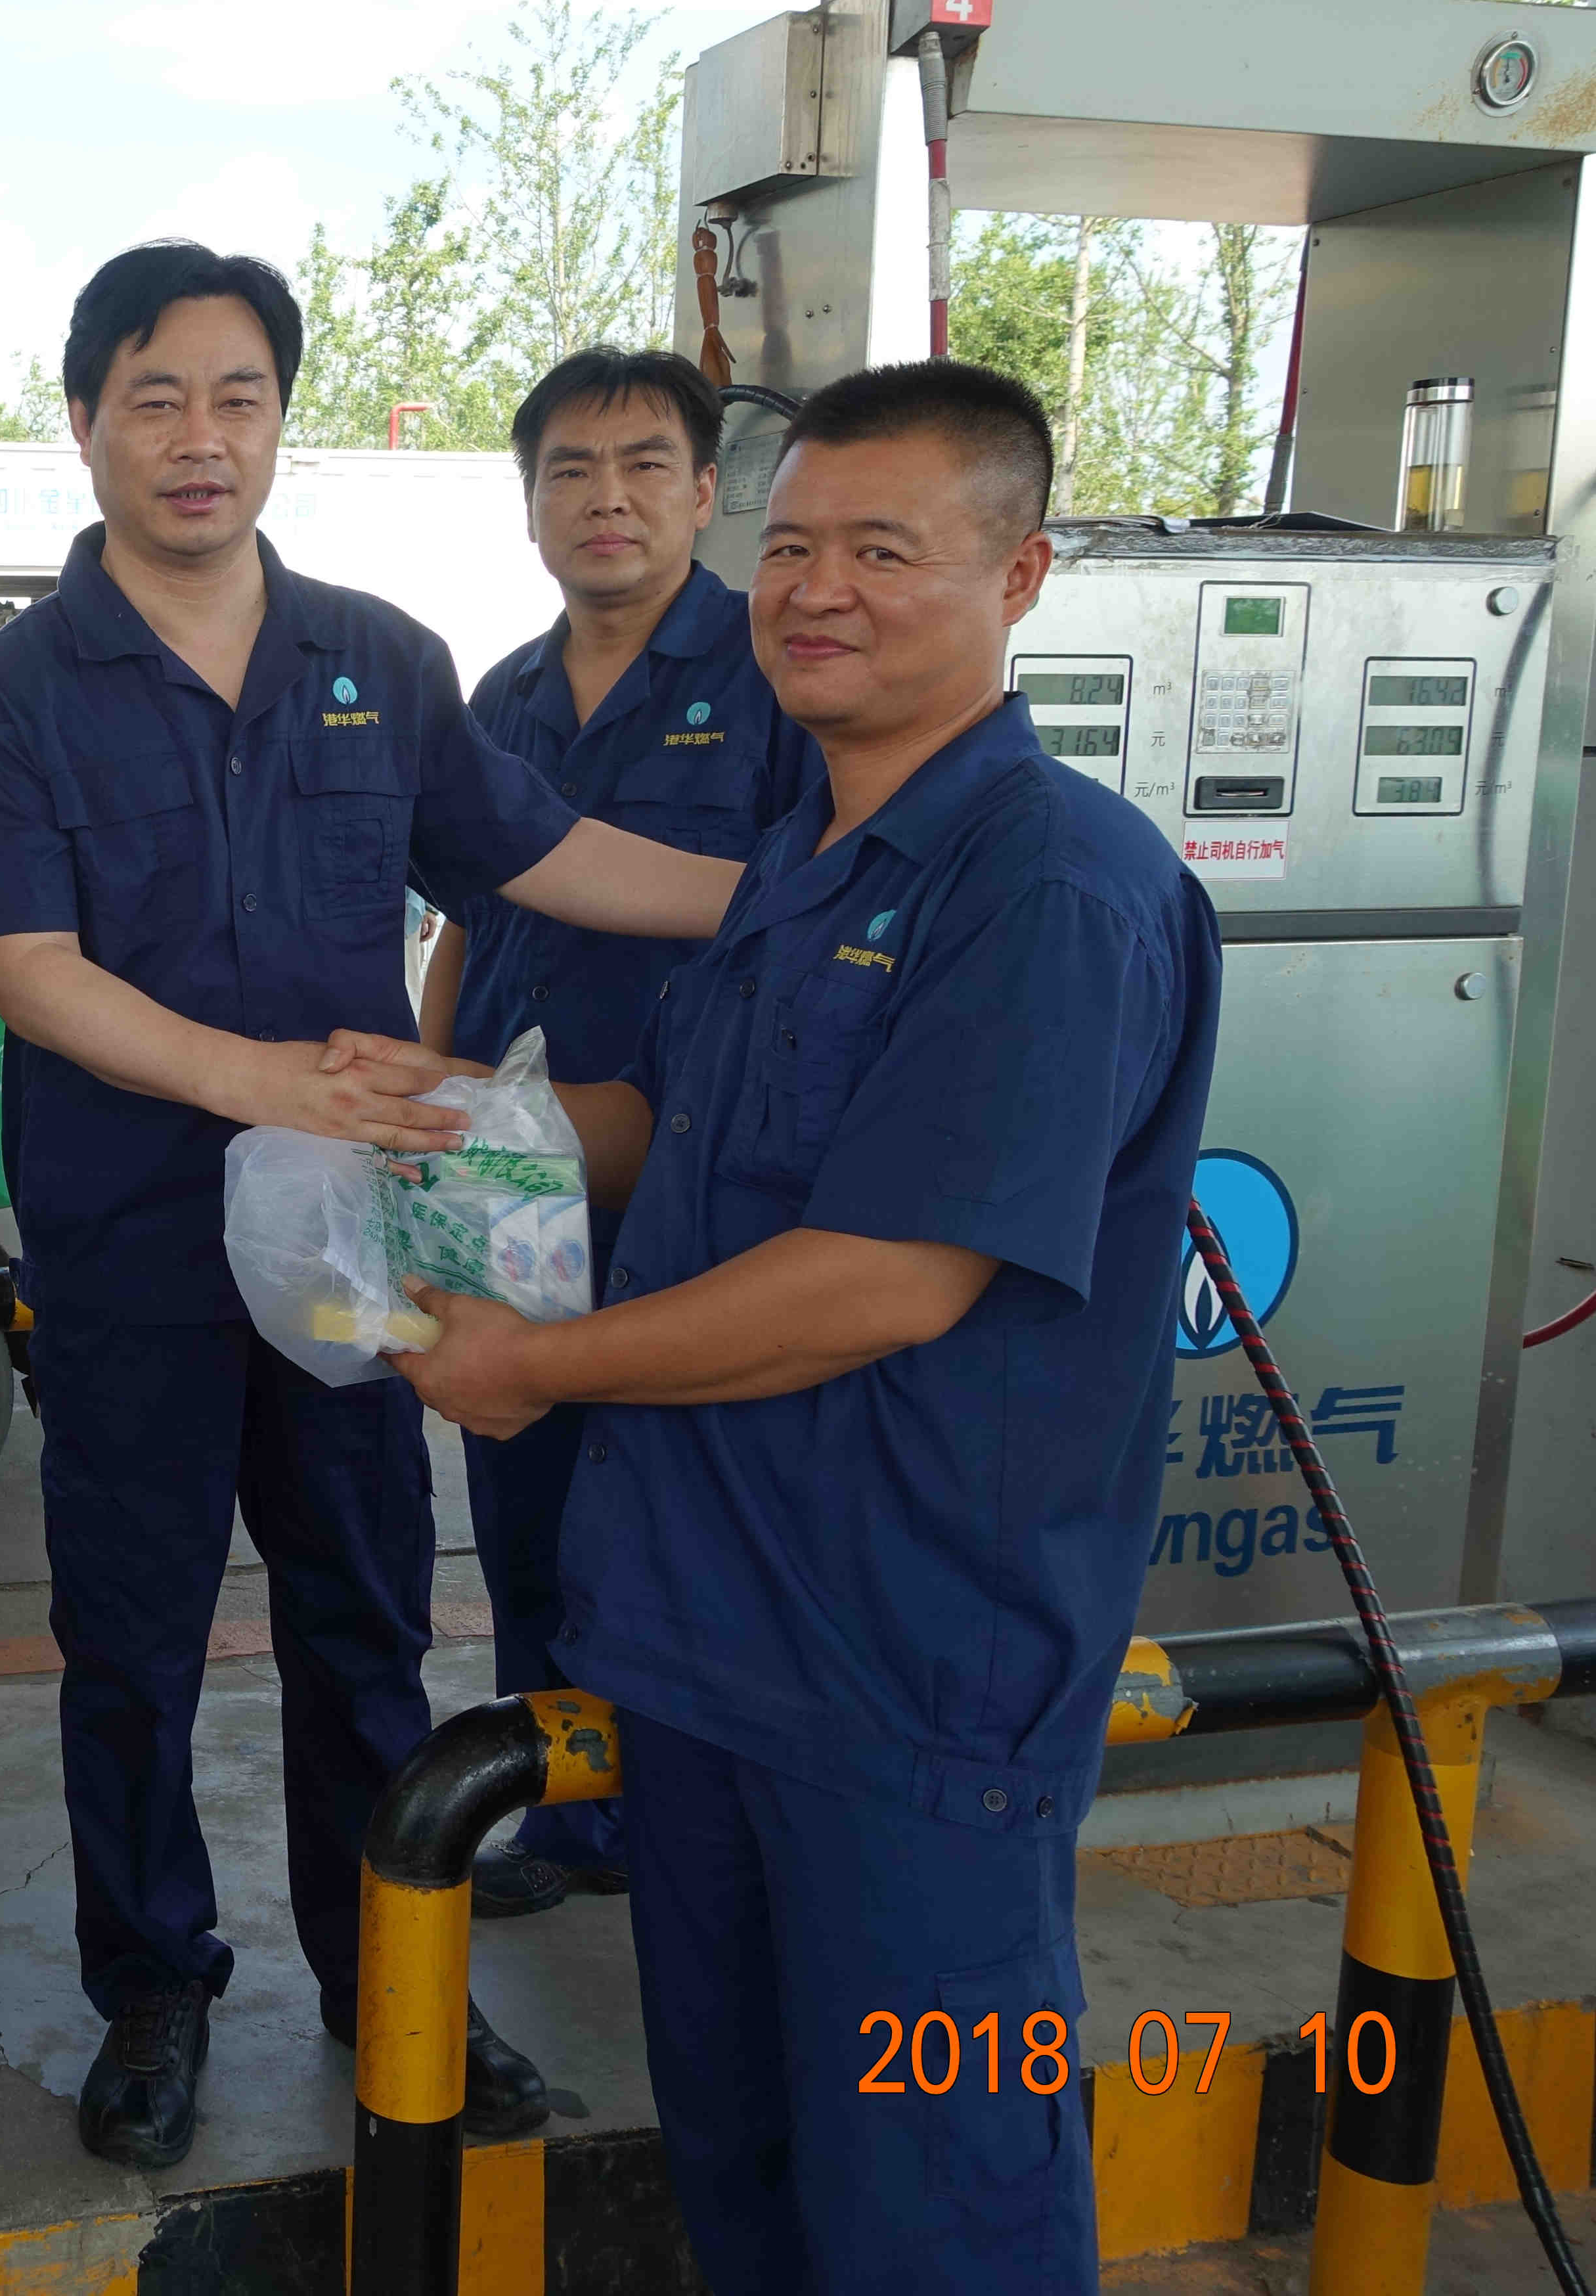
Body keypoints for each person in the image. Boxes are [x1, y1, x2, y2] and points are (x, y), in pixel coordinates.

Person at [382, 359, 1221, 2292]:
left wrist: (533, 1367)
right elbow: (665, 1131)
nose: (816, 590)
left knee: (937, 2213)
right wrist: (445, 1119)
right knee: (746, 2180)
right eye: (792, 548)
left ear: (1020, 578)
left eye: (883, 552)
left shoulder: (1052, 887)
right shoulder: (797, 868)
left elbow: (888, 1278)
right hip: (707, 1643)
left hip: (909, 1680)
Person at [0, 242, 745, 2171]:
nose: (200, 439)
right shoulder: (16, 694)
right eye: (156, 399)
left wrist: (802, 899)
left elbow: (541, 852)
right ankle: (154, 1991)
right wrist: (265, 1081)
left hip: (352, 1259)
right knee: (131, 1640)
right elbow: (35, 974)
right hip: (131, 1250)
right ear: (85, 423)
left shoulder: (381, 658)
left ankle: (397, 1985)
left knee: (364, 1624)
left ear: (283, 421)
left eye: (240, 398)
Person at [415, 349, 819, 1918]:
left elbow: (813, 923)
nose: (608, 498)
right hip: (514, 1183)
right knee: (525, 1497)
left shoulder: (776, 676)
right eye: (570, 471)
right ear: (528, 506)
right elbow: (466, 919)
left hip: (696, 1180)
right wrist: (433, 1100)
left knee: (680, 1508)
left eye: (646, 464)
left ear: (706, 494)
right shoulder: (500, 701)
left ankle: (688, 1825)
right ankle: (564, 1816)